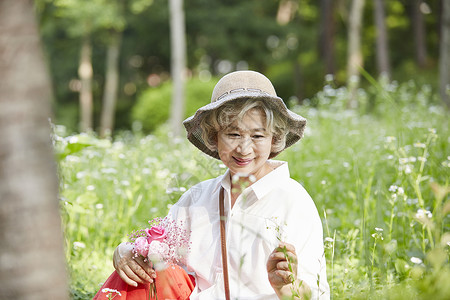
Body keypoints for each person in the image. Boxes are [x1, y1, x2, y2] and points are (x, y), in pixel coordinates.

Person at [94, 70, 330, 300]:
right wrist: (125, 252)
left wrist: (287, 288)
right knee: (141, 270)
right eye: (233, 134)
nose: (244, 148)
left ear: (275, 138)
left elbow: (316, 295)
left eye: (258, 136)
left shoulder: (293, 201)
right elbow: (155, 252)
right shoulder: (197, 199)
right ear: (214, 137)